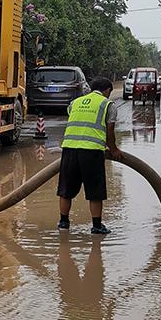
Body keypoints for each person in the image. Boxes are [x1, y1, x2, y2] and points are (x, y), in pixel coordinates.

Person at [57, 76, 122, 234]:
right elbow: (110, 132)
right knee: (95, 190)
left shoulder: (75, 102)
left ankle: (64, 222)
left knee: (66, 189)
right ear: (107, 90)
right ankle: (97, 226)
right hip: (92, 152)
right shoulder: (107, 104)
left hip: (69, 149)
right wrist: (114, 150)